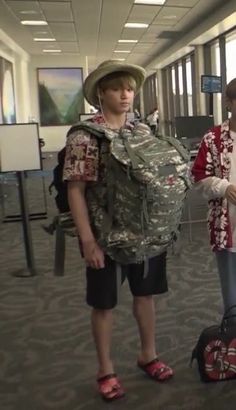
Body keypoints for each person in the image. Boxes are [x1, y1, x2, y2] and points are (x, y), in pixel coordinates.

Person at [63, 60, 173, 402]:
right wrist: (88, 241)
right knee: (105, 304)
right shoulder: (86, 135)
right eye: (116, 88)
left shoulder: (140, 131)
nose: (125, 95)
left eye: (129, 88)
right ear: (101, 93)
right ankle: (106, 369)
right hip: (105, 237)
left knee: (146, 296)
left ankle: (148, 355)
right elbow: (75, 191)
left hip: (145, 231)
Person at [191, 78, 236, 321]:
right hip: (226, 225)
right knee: (232, 295)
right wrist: (224, 187)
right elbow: (198, 176)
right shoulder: (214, 138)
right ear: (229, 103)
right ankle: (232, 342)